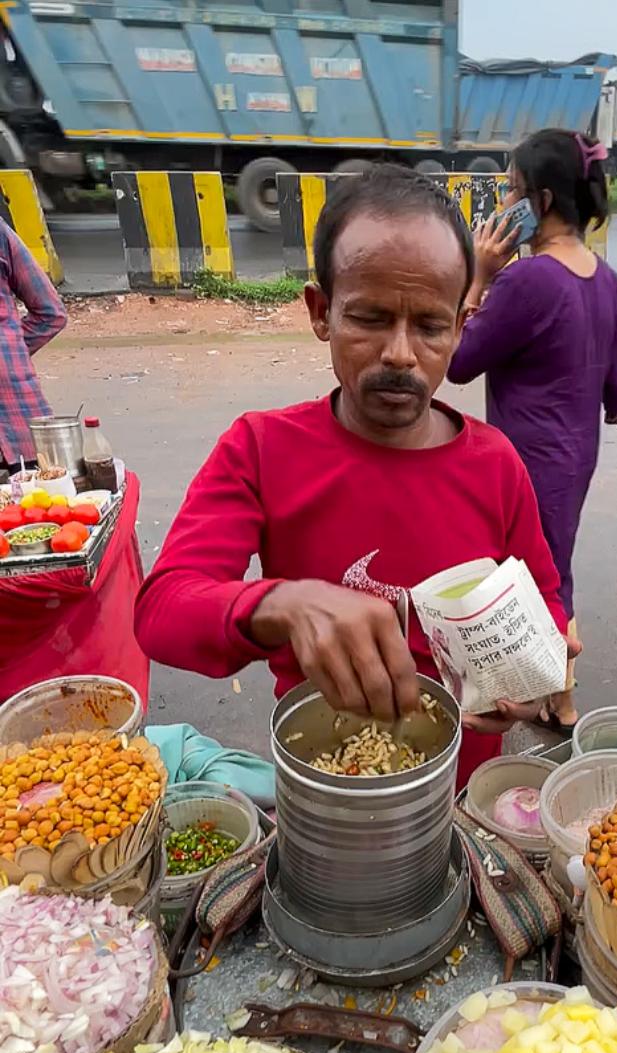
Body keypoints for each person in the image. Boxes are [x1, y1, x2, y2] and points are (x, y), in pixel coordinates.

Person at [135, 165, 577, 788]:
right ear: (322, 312)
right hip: (324, 779)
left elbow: (545, 603)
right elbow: (162, 610)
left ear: (459, 325)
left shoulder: (496, 463)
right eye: (369, 318)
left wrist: (532, 677)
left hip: (464, 782)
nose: (400, 353)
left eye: (429, 326)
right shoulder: (261, 448)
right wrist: (281, 603)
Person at [447, 128, 617, 734]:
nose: (502, 203)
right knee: (550, 564)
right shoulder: (606, 280)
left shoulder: (527, 281)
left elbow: (460, 362)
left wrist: (480, 275)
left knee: (538, 575)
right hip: (577, 456)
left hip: (528, 461)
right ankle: (550, 691)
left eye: (511, 189)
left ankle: (560, 700)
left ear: (539, 201)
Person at [0, 220, 67, 474]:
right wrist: (11, 351)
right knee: (43, 509)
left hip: (20, 430)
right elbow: (51, 313)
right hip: (24, 431)